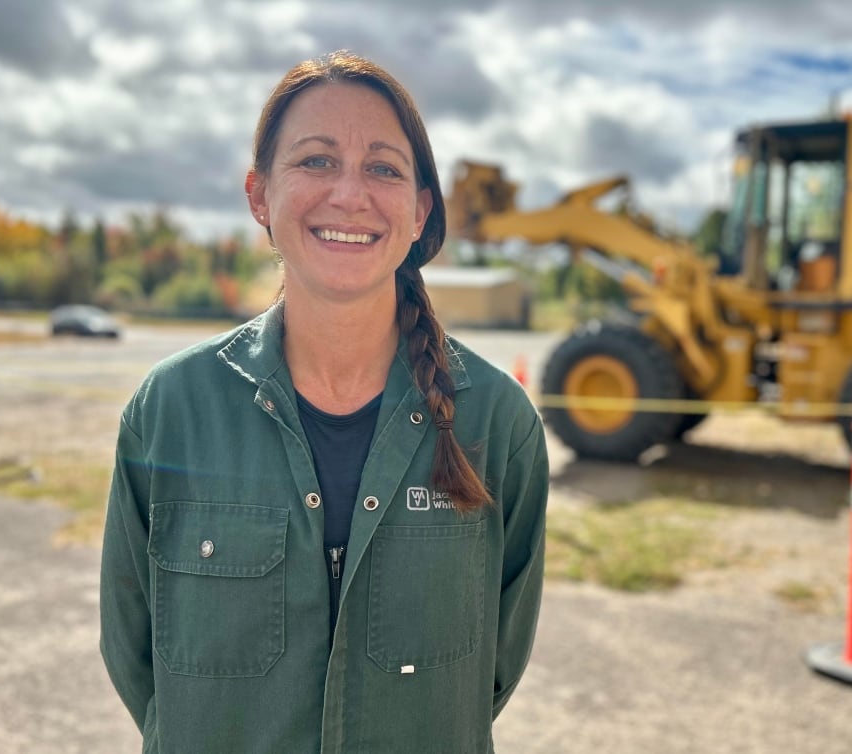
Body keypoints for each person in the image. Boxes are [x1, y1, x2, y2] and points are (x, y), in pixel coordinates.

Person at [99, 51, 550, 753]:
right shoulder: (168, 413)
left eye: (383, 167)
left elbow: (490, 674)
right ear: (259, 195)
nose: (350, 194)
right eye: (315, 161)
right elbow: (136, 656)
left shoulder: (498, 425)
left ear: (420, 207)